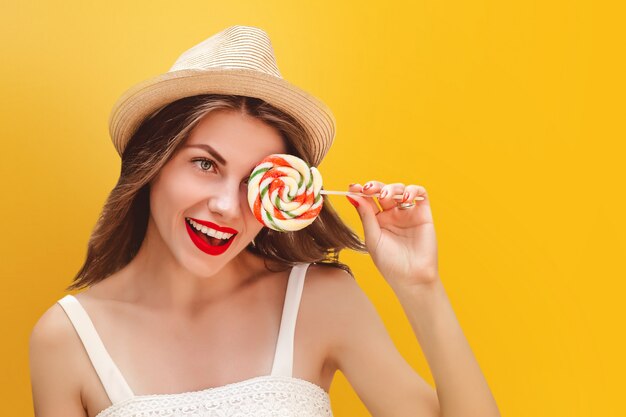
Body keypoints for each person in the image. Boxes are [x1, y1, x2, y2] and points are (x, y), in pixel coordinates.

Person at [28, 26, 500, 417]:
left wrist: (421, 287)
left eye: (255, 178)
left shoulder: (320, 301)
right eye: (205, 164)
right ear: (151, 166)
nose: (228, 208)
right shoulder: (66, 339)